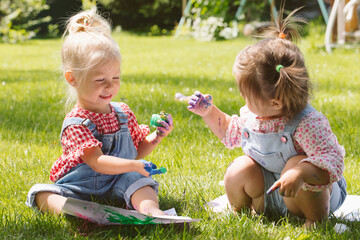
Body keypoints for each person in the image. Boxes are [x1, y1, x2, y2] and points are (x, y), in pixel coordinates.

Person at [187, 8, 346, 227]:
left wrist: (300, 173)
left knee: (295, 162)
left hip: (312, 195)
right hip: (272, 194)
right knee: (241, 166)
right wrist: (208, 112)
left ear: (275, 103)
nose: (242, 97)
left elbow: (332, 161)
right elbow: (229, 130)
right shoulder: (253, 116)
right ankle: (242, 210)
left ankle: (314, 221)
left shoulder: (307, 123)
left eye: (246, 94)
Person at [26, 8, 173, 217]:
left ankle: (153, 212)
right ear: (73, 79)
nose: (110, 87)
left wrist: (156, 137)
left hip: (119, 180)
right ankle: (81, 212)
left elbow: (134, 152)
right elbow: (96, 161)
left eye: (116, 78)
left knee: (140, 182)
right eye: (99, 80)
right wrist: (133, 164)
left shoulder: (122, 113)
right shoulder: (77, 122)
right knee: (41, 193)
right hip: (79, 187)